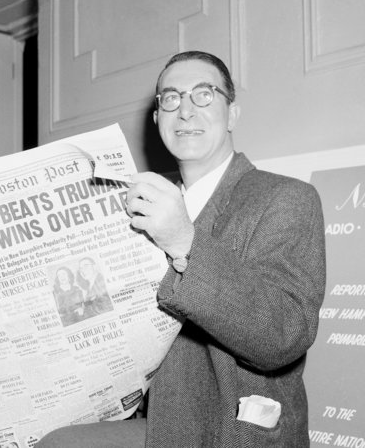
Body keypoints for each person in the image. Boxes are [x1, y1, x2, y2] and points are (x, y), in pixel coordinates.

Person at [37, 51, 326, 447]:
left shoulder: (286, 197)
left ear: (233, 114)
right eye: (171, 98)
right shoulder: (135, 201)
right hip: (149, 415)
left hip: (223, 428)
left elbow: (284, 335)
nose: (185, 112)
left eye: (204, 95)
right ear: (157, 119)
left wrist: (183, 242)